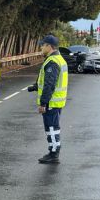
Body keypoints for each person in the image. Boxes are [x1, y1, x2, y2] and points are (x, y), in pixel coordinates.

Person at [27, 35, 68, 164]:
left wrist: (43, 103)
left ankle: (54, 153)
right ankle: (53, 151)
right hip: (57, 101)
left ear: (49, 46)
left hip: (52, 102)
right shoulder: (58, 59)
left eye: (43, 45)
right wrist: (35, 87)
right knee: (53, 127)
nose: (41, 47)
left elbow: (50, 85)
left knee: (51, 127)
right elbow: (48, 81)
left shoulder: (52, 62)